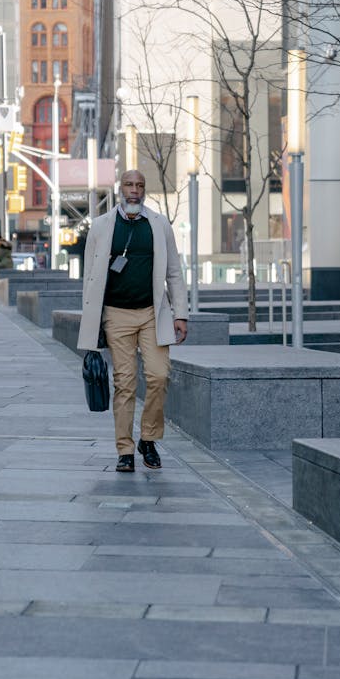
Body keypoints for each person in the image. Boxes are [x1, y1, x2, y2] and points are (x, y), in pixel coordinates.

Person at [77, 169, 188, 473]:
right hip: (116, 315)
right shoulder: (101, 227)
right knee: (124, 384)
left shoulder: (159, 224)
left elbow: (174, 273)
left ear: (144, 189)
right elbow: (90, 278)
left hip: (153, 314)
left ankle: (148, 438)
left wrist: (180, 314)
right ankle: (125, 449)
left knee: (159, 376)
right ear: (120, 189)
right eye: (129, 184)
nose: (135, 190)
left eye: (140, 185)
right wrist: (93, 324)